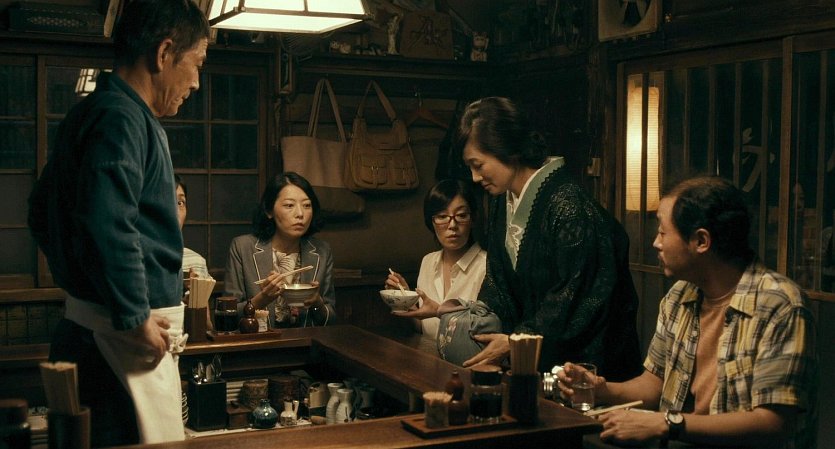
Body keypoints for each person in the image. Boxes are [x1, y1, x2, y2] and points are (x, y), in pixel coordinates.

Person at [26, 0, 209, 446]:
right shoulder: (121, 116)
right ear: (164, 53)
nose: (196, 82)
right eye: (197, 64)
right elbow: (107, 221)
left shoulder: (97, 110)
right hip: (118, 340)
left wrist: (87, 284)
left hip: (105, 330)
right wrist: (133, 316)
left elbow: (40, 214)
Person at [558, 176, 818, 448]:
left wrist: (665, 423)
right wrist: (601, 389)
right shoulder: (680, 295)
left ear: (701, 241)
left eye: (663, 232)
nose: (656, 243)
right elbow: (654, 383)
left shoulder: (780, 305)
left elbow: (774, 423)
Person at [458, 97, 642, 381]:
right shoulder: (500, 201)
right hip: (530, 359)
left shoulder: (569, 207)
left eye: (478, 165)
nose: (474, 177)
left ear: (508, 150)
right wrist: (472, 316)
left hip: (586, 367)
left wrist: (519, 340)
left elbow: (576, 298)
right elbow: (499, 281)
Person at [385, 179, 489, 358]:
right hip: (430, 362)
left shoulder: (487, 266)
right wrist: (406, 301)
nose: (452, 225)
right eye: (442, 216)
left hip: (469, 364)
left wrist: (438, 311)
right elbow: (425, 328)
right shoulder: (428, 261)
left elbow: (485, 333)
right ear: (431, 222)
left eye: (461, 215)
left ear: (473, 219)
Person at [224, 172, 335, 328]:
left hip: (306, 341)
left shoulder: (322, 251)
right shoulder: (242, 247)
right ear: (269, 211)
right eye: (289, 205)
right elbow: (227, 316)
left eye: (307, 205)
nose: (300, 214)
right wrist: (262, 299)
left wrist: (317, 303)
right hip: (258, 341)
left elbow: (331, 319)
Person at [175, 174, 209, 278]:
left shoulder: (196, 262)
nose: (176, 212)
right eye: (168, 202)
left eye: (180, 203)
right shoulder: (135, 258)